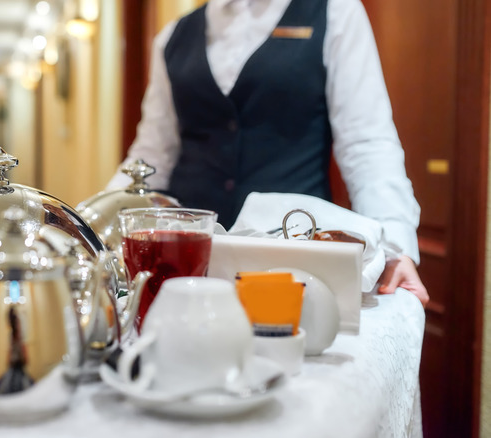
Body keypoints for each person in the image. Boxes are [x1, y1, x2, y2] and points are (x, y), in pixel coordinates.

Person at [106, 0, 429, 305]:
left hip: (292, 255)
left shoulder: (335, 12)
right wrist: (96, 224)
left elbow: (366, 143)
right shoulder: (173, 36)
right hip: (188, 263)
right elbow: (152, 154)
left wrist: (394, 248)